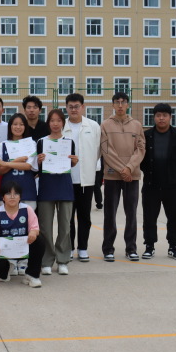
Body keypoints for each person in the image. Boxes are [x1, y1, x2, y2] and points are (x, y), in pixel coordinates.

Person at [140, 103, 176, 261]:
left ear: (170, 117)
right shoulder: (146, 136)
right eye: (158, 115)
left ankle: (173, 246)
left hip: (173, 185)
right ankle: (149, 246)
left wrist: (175, 170)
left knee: (175, 217)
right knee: (149, 217)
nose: (161, 118)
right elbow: (140, 158)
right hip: (151, 184)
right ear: (154, 117)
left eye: (164, 115)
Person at [100, 92, 145, 261]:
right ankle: (108, 249)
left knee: (131, 213)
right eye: (117, 102)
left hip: (132, 177)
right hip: (112, 176)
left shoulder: (136, 125)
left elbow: (140, 149)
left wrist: (129, 168)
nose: (120, 105)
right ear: (112, 105)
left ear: (128, 104)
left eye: (123, 102)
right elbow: (106, 150)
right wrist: (122, 169)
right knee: (109, 213)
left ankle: (131, 248)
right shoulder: (105, 125)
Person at [35, 109, 78, 275]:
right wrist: (39, 161)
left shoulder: (69, 142)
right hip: (47, 186)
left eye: (58, 120)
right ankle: (46, 260)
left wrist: (74, 162)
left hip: (64, 185)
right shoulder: (41, 142)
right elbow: (36, 168)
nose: (55, 124)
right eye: (52, 120)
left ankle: (63, 260)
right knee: (45, 226)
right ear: (48, 123)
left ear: (63, 123)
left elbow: (70, 164)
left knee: (65, 225)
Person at [62, 93, 101, 262]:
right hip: (66, 180)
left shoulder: (93, 126)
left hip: (87, 180)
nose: (73, 110)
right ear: (66, 108)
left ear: (83, 107)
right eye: (70, 107)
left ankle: (83, 248)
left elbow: (98, 150)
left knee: (85, 216)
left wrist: (90, 166)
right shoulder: (62, 126)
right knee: (68, 217)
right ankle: (70, 248)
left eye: (76, 106)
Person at [0, 181, 45, 287]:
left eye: (16, 194)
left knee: (39, 240)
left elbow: (35, 228)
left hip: (23, 247)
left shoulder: (27, 209)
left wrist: (33, 233)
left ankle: (32, 275)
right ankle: (5, 271)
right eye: (8, 193)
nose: (12, 197)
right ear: (3, 197)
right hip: (4, 250)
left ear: (20, 197)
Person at [0, 113, 37, 210]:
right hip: (7, 190)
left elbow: (28, 166)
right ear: (10, 126)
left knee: (27, 218)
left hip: (27, 190)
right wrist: (18, 161)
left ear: (25, 127)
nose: (18, 127)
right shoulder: (2, 145)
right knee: (7, 218)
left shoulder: (31, 143)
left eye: (21, 124)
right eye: (15, 124)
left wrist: (6, 163)